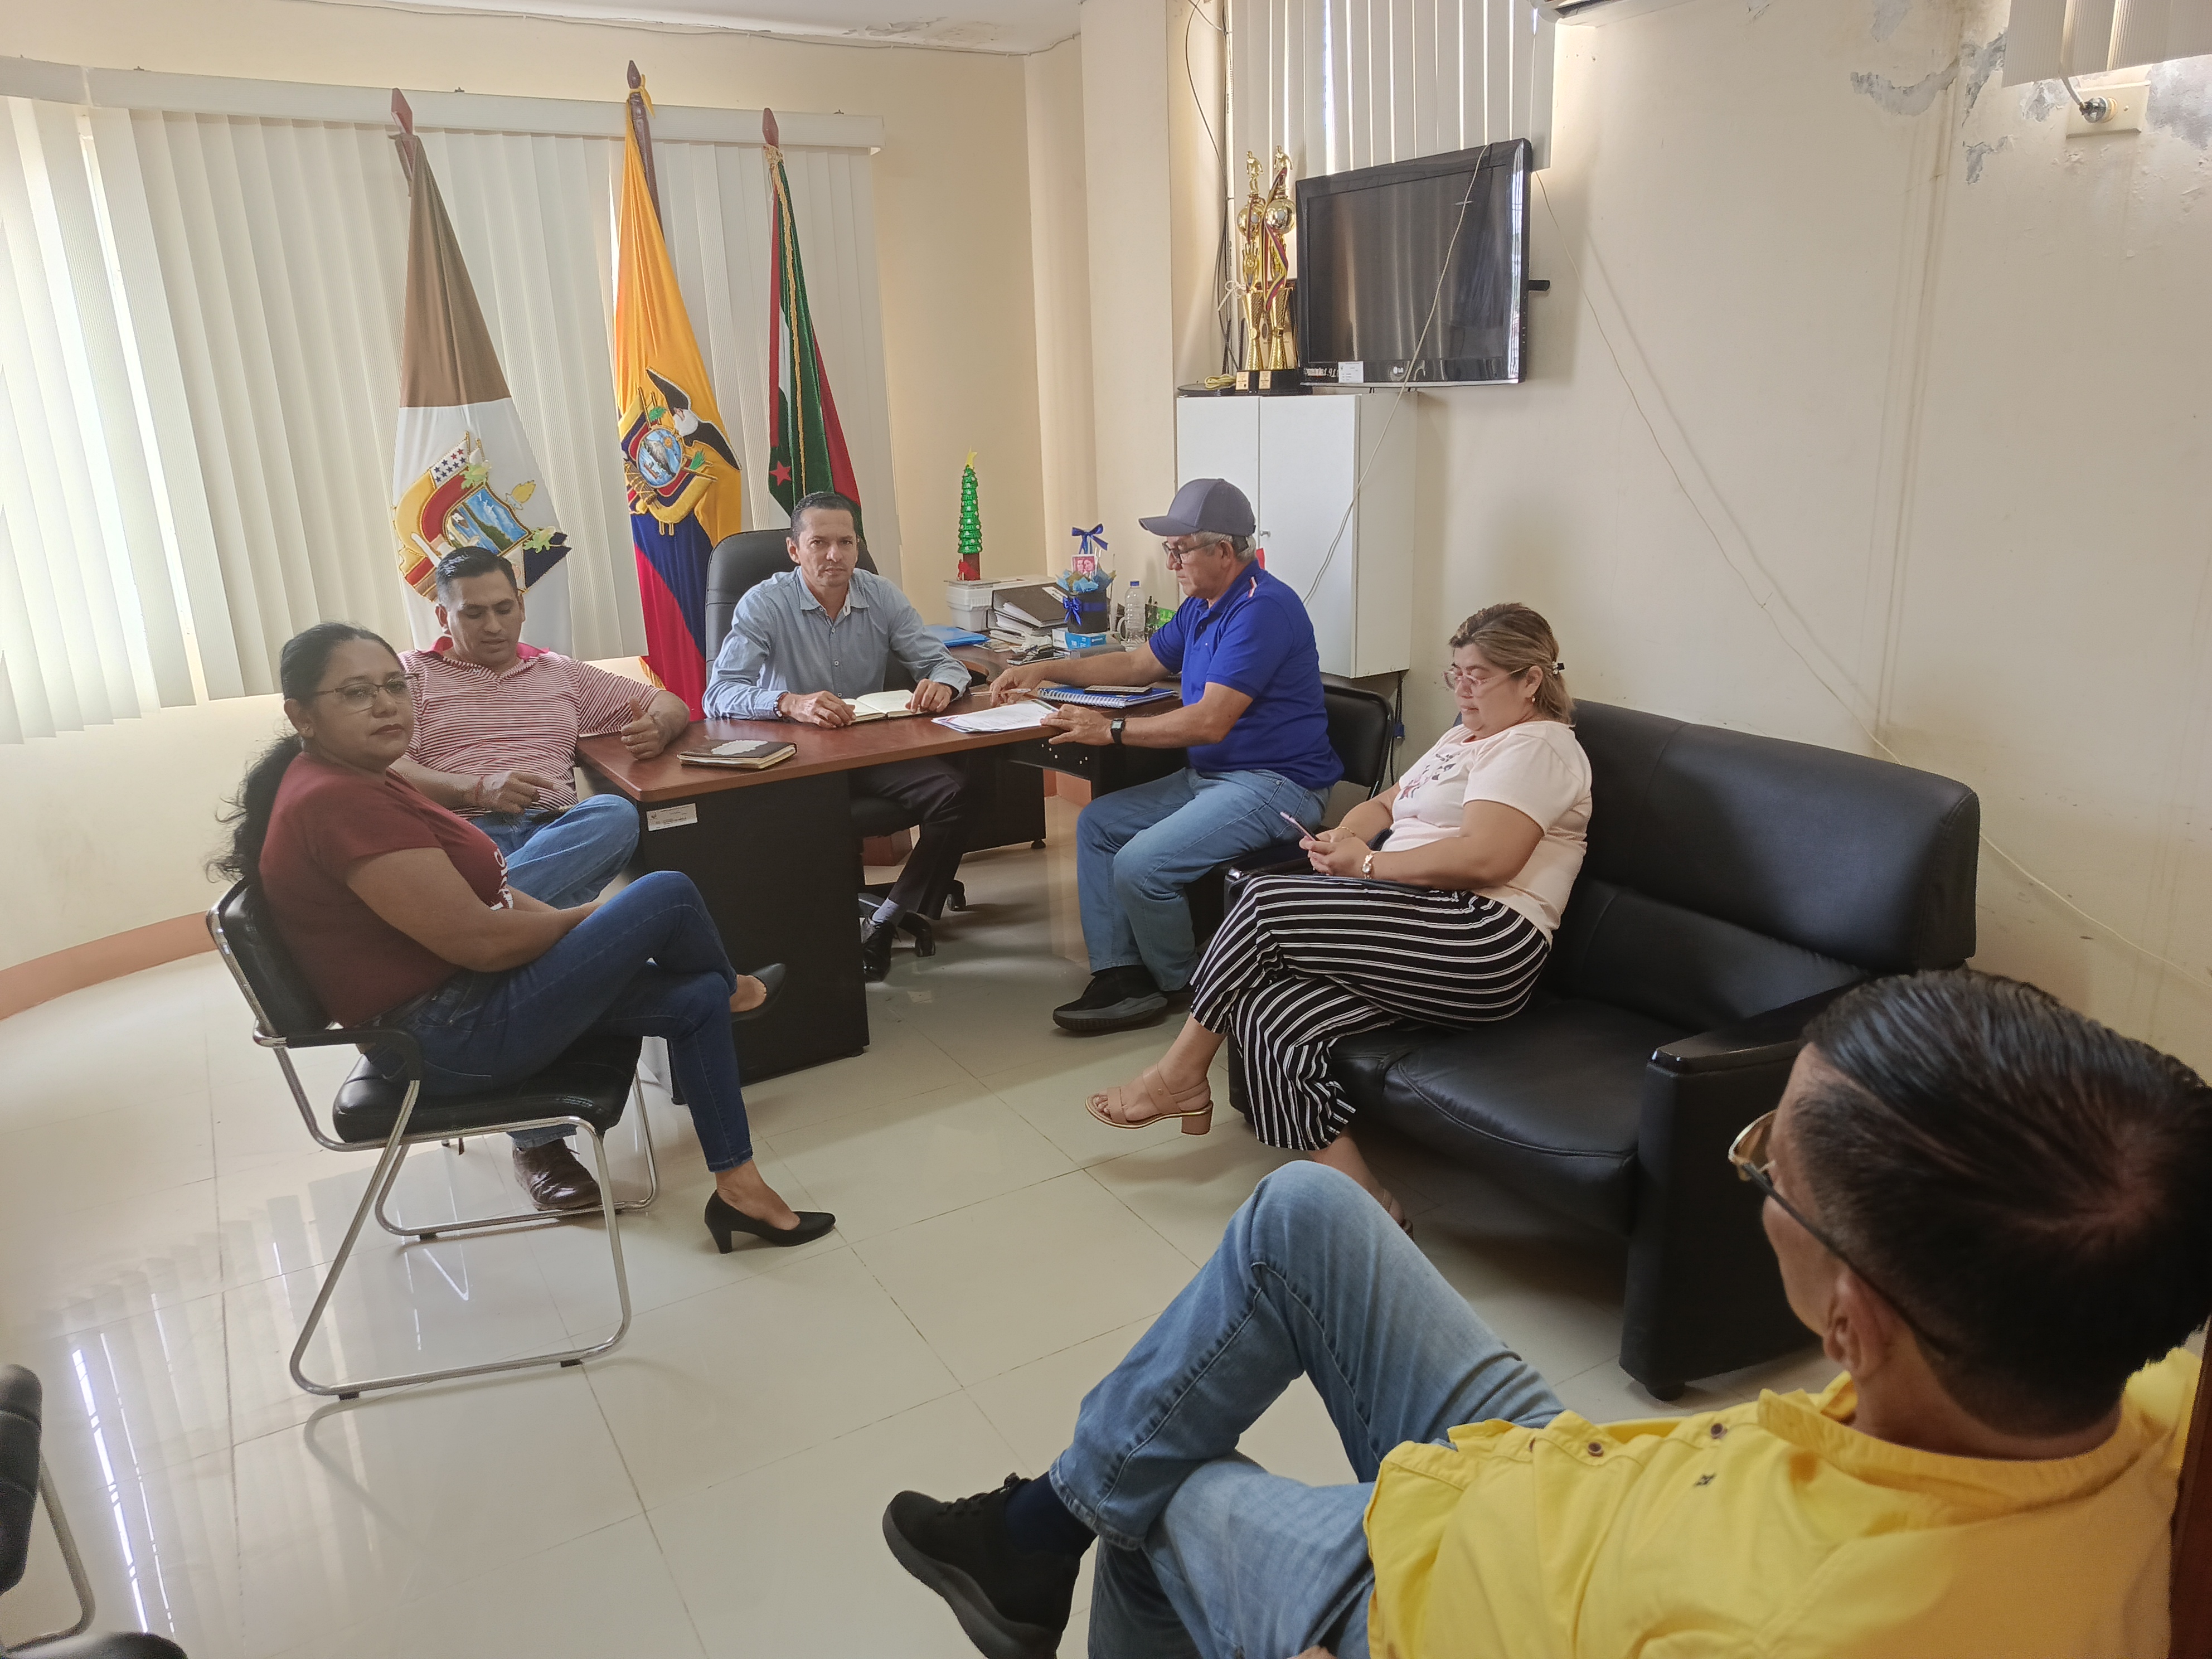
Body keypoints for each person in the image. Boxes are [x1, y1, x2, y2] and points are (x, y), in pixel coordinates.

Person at [885, 968, 2212, 1659]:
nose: (1753, 1178)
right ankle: (1030, 1538)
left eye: (1765, 1167)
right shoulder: (2147, 1413)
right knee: (1306, 1209)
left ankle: (1049, 1535)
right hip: (1581, 1480)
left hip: (1425, 1599)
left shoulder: (1799, 1629)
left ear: (1849, 1319)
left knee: (1165, 1503)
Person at [218, 622, 833, 1254]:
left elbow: (498, 896)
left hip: (466, 1000)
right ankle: (734, 990)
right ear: (302, 715)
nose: (385, 704)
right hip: (442, 1039)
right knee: (666, 893)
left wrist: (598, 928)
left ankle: (739, 1187)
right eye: (355, 692)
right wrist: (597, 920)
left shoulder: (366, 775)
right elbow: (484, 943)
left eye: (394, 686)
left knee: (693, 994)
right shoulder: (338, 802)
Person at [1082, 602, 1589, 1221]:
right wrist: (1345, 836)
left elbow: (1488, 859)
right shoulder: (1463, 737)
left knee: (1264, 899)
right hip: (1414, 920)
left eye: (1477, 677)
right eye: (1454, 674)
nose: (1461, 690)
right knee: (1268, 1013)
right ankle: (1366, 1198)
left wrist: (1368, 866)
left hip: (1479, 938)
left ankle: (1179, 1076)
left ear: (1530, 680)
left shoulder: (1537, 746)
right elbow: (1384, 805)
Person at [392, 546, 692, 1212]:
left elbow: (666, 700)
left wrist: (661, 725)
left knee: (614, 815)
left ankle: (483, 930)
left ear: (522, 606)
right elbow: (390, 768)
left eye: (505, 609)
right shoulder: (411, 678)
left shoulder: (559, 672)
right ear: (442, 615)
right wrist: (474, 787)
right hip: (464, 844)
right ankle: (541, 1145)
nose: (494, 625)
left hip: (559, 841)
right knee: (541, 959)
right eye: (474, 614)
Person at [989, 478, 1342, 1035]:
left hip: (1275, 785)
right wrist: (1045, 669)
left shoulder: (1263, 609)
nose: (1171, 562)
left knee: (1141, 865)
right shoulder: (1202, 605)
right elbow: (1138, 665)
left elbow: (1210, 721)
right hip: (1215, 776)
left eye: (1180, 550)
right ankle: (1120, 975)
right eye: (1169, 549)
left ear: (1223, 551)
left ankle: (1189, 987)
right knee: (1099, 825)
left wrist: (1111, 730)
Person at [702, 490, 977, 983]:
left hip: (868, 745)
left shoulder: (881, 595)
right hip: (795, 754)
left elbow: (943, 663)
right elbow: (718, 693)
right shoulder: (764, 603)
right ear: (795, 550)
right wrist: (790, 703)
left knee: (956, 795)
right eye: (819, 543)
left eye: (846, 543)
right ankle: (801, 930)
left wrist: (943, 683)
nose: (835, 555)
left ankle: (886, 918)